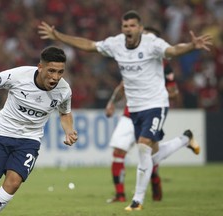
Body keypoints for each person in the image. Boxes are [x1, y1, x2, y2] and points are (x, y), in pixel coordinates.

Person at [37, 10, 211, 211]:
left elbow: (172, 51)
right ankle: (185, 139)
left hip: (155, 104)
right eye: (125, 26)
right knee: (151, 154)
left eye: (132, 26)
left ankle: (137, 201)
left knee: (143, 147)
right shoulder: (116, 43)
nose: (128, 29)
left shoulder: (152, 44)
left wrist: (191, 46)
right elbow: (89, 45)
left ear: (141, 28)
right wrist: (58, 37)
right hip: (134, 108)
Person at [0, 46, 78, 216]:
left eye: (60, 72)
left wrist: (69, 130)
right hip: (2, 134)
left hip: (30, 140)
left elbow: (65, 113)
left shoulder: (64, 91)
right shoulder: (19, 76)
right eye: (51, 71)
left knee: (13, 183)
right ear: (40, 67)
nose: (55, 77)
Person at [105, 26, 180, 203]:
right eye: (144, 36)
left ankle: (155, 180)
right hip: (129, 113)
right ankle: (120, 195)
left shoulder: (163, 65)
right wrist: (111, 103)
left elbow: (174, 92)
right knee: (118, 151)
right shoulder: (133, 59)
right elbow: (123, 86)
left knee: (148, 154)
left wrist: (154, 90)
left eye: (149, 37)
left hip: (151, 111)